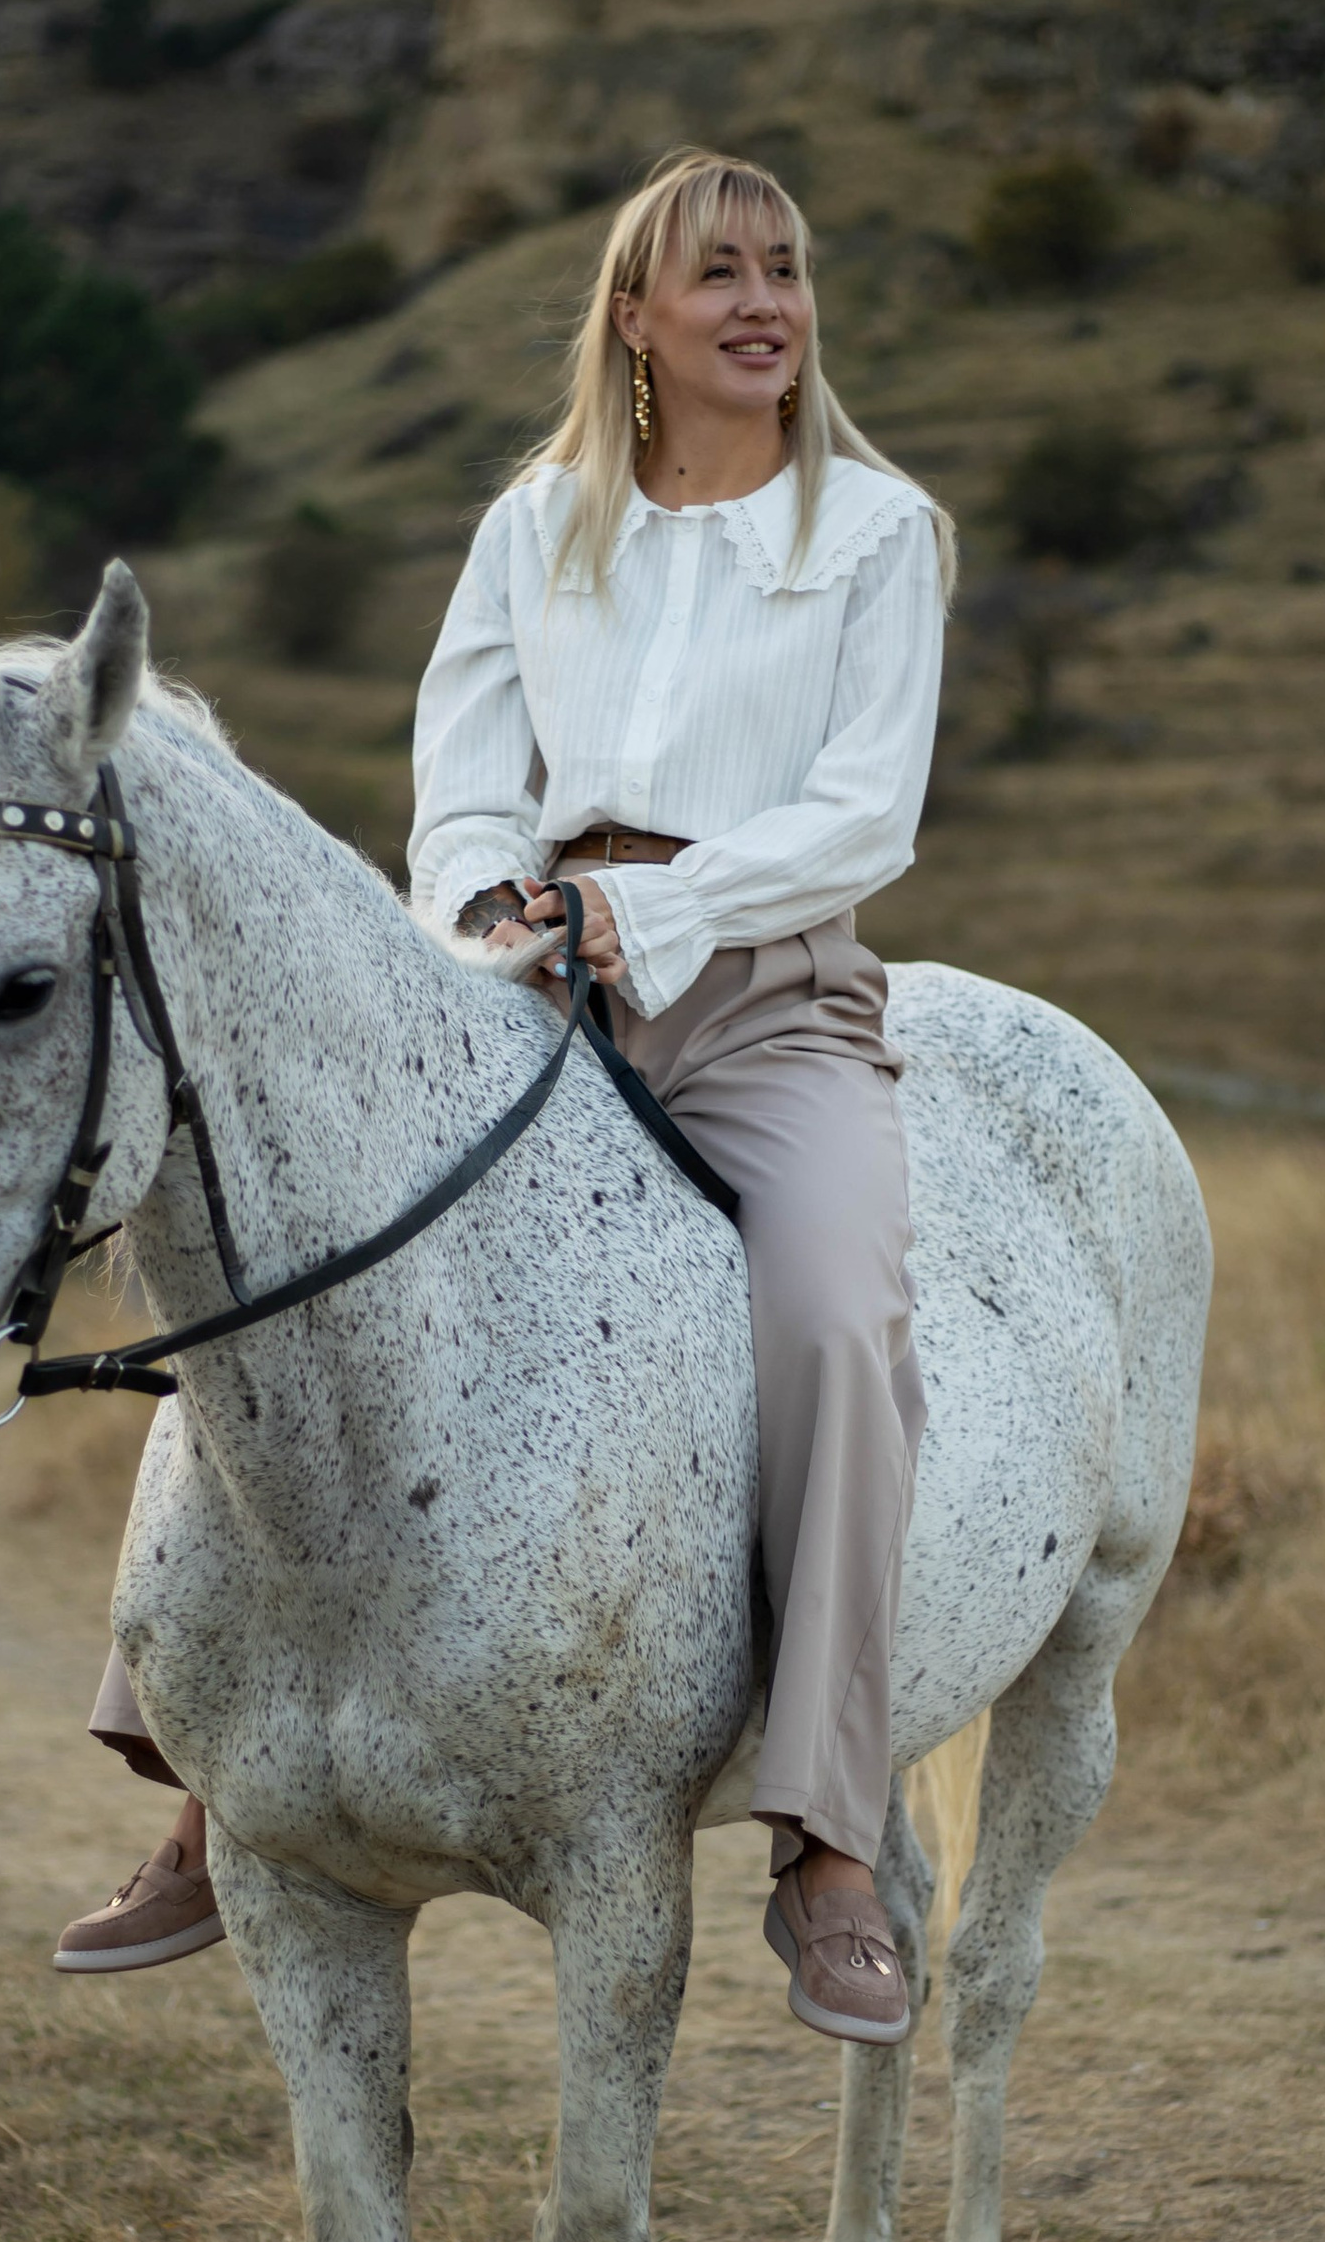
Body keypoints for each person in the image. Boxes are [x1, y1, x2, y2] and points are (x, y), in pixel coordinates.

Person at [56, 146, 955, 2045]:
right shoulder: (533, 528)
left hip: (767, 999)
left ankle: (829, 1839)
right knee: (289, 1271)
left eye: (785, 270)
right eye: (721, 273)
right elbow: (463, 780)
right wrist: (490, 917)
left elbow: (866, 811)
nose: (765, 305)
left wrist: (654, 911)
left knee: (835, 1318)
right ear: (635, 316)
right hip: (528, 985)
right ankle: (216, 1776)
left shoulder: (878, 532)